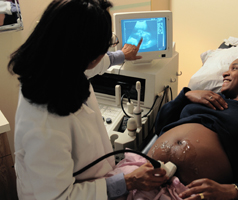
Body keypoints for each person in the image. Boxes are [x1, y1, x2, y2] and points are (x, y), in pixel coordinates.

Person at [8, 0, 167, 199]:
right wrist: (128, 181)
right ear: (84, 54)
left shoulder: (56, 67)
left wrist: (122, 55)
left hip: (98, 176)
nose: (105, 53)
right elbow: (59, 197)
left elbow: (93, 65)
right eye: (105, 45)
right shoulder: (43, 126)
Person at [147, 57, 238, 200]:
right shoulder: (202, 99)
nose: (225, 74)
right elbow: (160, 126)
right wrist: (186, 95)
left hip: (192, 194)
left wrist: (233, 191)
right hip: (144, 176)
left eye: (234, 68)